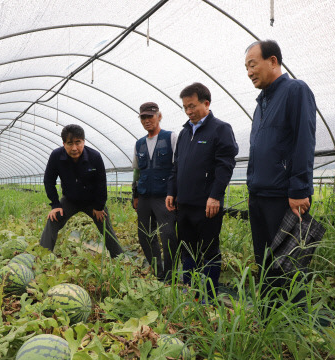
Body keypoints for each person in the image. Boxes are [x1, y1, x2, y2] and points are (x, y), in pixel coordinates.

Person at [244, 40, 316, 305]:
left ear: (273, 61)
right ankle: (269, 321)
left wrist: (299, 190)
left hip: (284, 197)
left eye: (253, 64)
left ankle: (293, 328)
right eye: (246, 67)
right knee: (265, 263)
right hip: (260, 196)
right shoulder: (260, 104)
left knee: (290, 265)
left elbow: (304, 140)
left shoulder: (295, 90)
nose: (249, 72)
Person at [166, 83, 239, 301]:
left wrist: (215, 196)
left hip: (207, 204)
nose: (188, 111)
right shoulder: (184, 132)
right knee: (187, 248)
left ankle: (208, 296)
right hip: (184, 204)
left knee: (209, 250)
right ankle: (190, 291)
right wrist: (172, 191)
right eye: (185, 107)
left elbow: (225, 165)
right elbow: (176, 166)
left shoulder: (220, 129)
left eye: (192, 106)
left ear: (206, 103)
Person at [39, 124, 124, 258]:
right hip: (70, 200)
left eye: (78, 143)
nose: (74, 148)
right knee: (53, 220)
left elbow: (101, 182)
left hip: (92, 201)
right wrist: (55, 205)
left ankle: (119, 259)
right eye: (69, 143)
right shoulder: (56, 156)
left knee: (105, 226)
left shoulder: (94, 156)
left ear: (83, 141)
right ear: (63, 143)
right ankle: (42, 257)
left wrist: (99, 206)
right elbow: (49, 181)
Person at [132, 102, 178, 281]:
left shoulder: (170, 137)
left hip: (164, 196)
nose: (146, 120)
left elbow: (177, 167)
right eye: (143, 117)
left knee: (168, 235)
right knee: (144, 234)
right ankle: (157, 269)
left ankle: (170, 273)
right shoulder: (139, 143)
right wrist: (135, 195)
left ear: (159, 116)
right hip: (144, 196)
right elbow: (137, 171)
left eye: (150, 116)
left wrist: (174, 193)